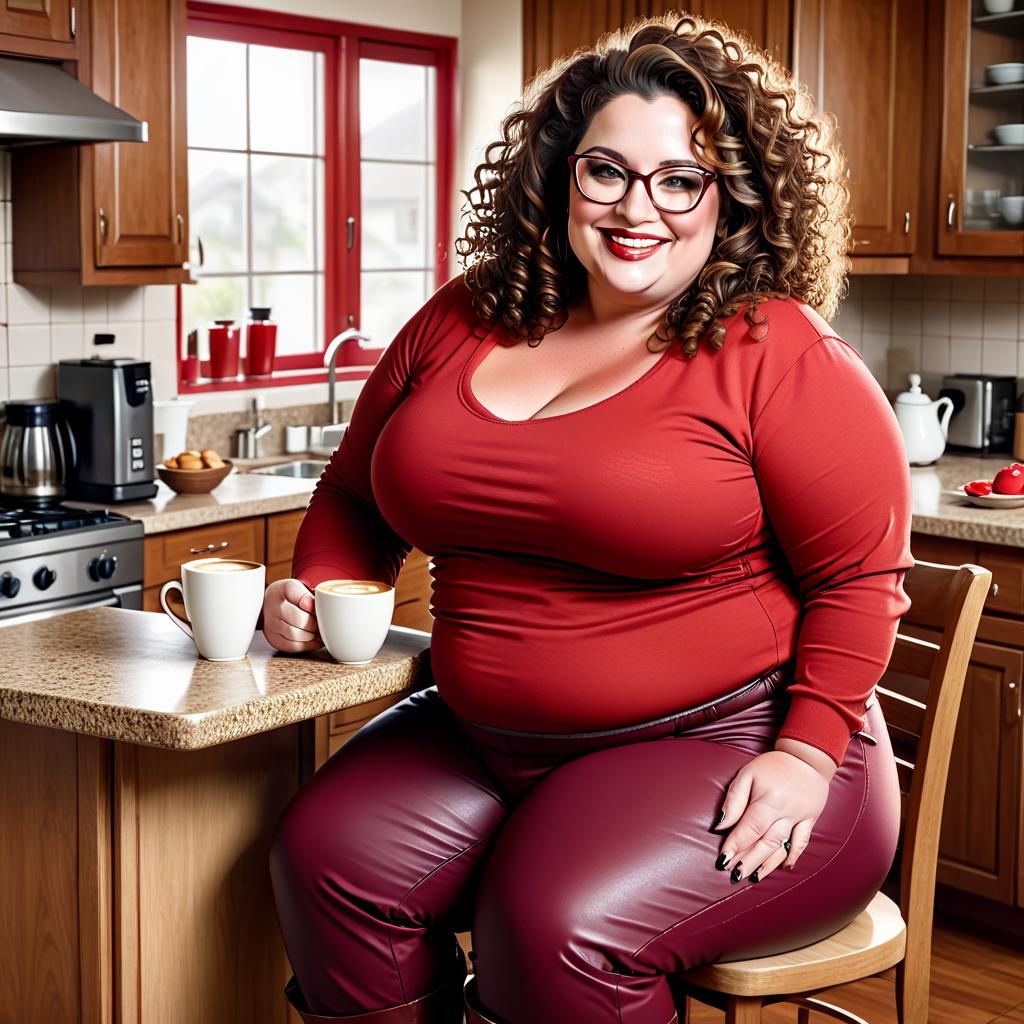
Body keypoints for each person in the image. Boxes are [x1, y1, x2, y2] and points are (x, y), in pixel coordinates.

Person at [263, 12, 913, 1024]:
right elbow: (353, 496)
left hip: (744, 740)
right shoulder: (462, 316)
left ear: (732, 196)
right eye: (606, 172)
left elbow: (859, 578)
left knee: (553, 925)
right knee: (325, 862)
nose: (636, 208)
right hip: (481, 736)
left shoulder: (779, 350)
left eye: (679, 180)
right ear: (559, 177)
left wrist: (804, 753)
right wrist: (322, 588)